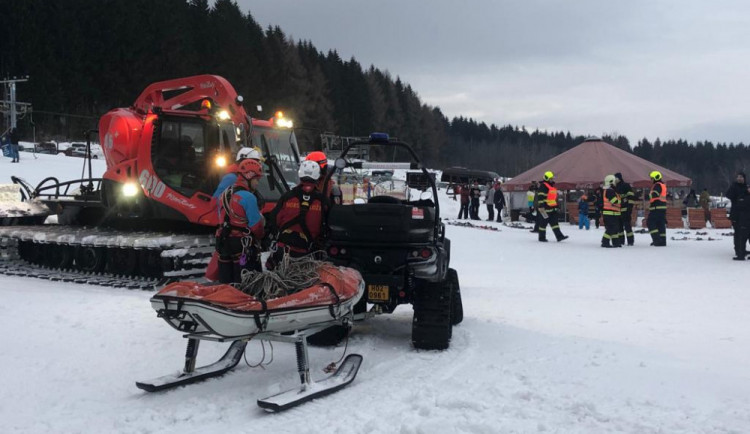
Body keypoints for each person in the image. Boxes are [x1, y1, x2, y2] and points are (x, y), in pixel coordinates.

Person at [266, 160, 329, 269]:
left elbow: (275, 219)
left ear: (300, 175)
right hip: (307, 254)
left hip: (283, 252)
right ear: (317, 177)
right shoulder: (323, 202)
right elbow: (326, 227)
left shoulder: (287, 197)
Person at [215, 159, 265, 283]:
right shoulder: (248, 197)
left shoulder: (224, 194)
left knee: (226, 281)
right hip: (241, 245)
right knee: (246, 283)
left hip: (222, 242)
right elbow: (256, 227)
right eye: (256, 180)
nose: (257, 184)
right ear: (249, 177)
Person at [536, 171, 568, 242]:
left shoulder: (551, 186)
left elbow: (552, 197)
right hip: (544, 208)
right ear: (547, 178)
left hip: (552, 208)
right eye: (550, 179)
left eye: (552, 178)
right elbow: (540, 196)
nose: (552, 180)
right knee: (543, 224)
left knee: (555, 223)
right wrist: (541, 205)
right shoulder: (543, 186)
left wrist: (556, 205)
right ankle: (541, 238)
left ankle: (559, 236)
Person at [726, 172, 749, 260]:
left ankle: (742, 249)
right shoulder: (734, 186)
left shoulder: (746, 186)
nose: (739, 178)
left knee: (745, 233)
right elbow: (728, 195)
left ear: (744, 178)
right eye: (738, 177)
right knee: (738, 232)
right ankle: (738, 250)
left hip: (745, 214)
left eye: (741, 177)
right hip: (736, 213)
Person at [647, 170, 667, 246]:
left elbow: (655, 194)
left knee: (650, 223)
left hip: (656, 208)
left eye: (652, 178)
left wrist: (646, 196)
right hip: (662, 208)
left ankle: (657, 240)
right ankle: (662, 241)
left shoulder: (657, 185)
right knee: (660, 224)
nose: (651, 180)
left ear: (655, 178)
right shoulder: (662, 185)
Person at [614, 172, 635, 245]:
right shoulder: (615, 187)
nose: (615, 180)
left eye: (616, 178)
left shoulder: (626, 186)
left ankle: (630, 241)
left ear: (619, 178)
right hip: (618, 211)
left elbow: (631, 197)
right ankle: (621, 241)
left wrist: (629, 207)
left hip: (626, 210)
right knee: (619, 228)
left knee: (627, 227)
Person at [601, 175, 623, 247]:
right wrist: (622, 201)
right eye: (614, 181)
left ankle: (616, 242)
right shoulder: (610, 191)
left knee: (615, 229)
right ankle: (605, 242)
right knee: (611, 228)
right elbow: (614, 201)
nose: (615, 183)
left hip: (613, 213)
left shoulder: (611, 190)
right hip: (610, 213)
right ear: (611, 182)